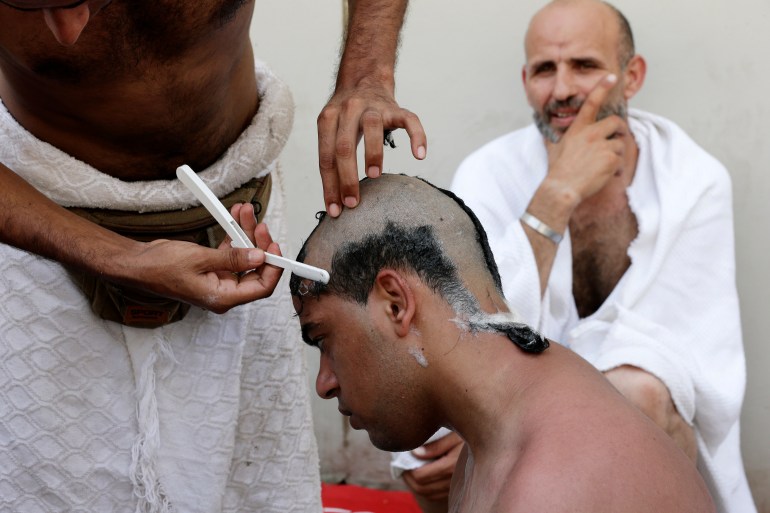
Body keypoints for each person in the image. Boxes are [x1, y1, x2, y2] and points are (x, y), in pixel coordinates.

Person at [0, 1, 425, 511]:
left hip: (241, 215)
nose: (66, 31)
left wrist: (366, 72)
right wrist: (120, 258)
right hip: (32, 239)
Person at [405, 1, 752, 512]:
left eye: (584, 66)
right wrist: (555, 198)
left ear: (631, 76)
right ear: (526, 81)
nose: (563, 90)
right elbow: (465, 335)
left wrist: (505, 416)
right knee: (436, 448)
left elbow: (677, 364)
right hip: (517, 419)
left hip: (639, 437)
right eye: (546, 69)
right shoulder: (488, 176)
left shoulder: (692, 182)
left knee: (637, 395)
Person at [290, 173, 715, 513]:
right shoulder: (498, 434)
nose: (324, 383)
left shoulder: (549, 486)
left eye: (324, 338)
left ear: (396, 304)